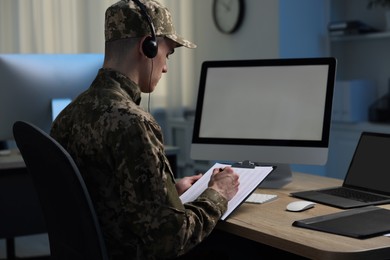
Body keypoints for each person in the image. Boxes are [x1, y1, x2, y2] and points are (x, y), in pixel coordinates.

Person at [50, 0, 240, 259]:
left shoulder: (67, 116)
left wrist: (169, 189)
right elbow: (171, 239)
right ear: (147, 47)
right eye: (167, 54)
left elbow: (101, 198)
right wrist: (217, 194)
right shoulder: (134, 123)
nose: (165, 67)